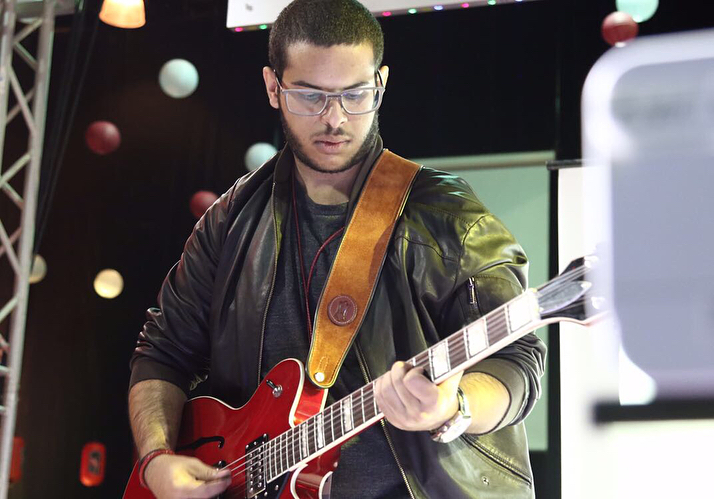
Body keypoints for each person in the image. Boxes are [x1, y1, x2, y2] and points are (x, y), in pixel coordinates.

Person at [128, 1, 546, 498]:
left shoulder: (448, 217)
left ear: (381, 85)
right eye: (310, 95)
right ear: (273, 87)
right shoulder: (230, 219)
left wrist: (454, 407)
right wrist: (155, 459)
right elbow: (162, 354)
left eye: (355, 94)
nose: (335, 118)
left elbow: (518, 359)